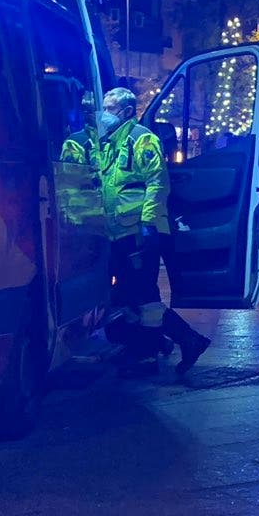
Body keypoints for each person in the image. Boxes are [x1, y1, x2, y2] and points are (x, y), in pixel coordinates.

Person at [93, 88, 209, 377]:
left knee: (143, 295)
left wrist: (147, 223)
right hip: (118, 233)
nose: (105, 114)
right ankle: (161, 343)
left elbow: (158, 182)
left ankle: (176, 343)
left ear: (127, 111)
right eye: (104, 108)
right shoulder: (110, 143)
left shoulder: (142, 139)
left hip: (139, 231)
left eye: (111, 108)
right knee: (130, 294)